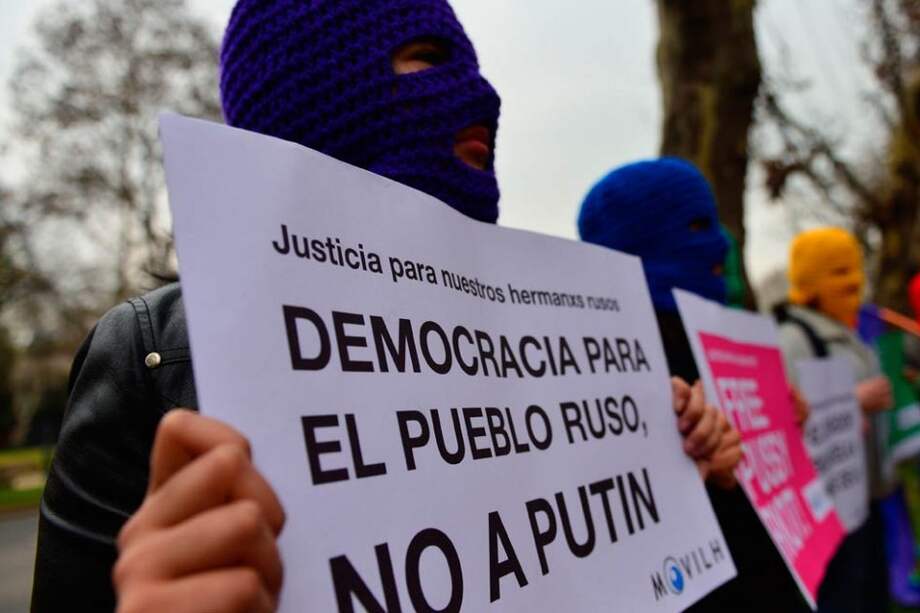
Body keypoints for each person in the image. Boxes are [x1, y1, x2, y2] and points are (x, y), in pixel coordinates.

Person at [31, 2, 727, 611]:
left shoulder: (550, 323)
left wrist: (673, 467)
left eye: (476, 66)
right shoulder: (151, 352)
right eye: (428, 58)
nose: (482, 95)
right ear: (317, 89)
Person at [578, 157, 808, 612]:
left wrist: (780, 423)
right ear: (642, 238)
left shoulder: (730, 342)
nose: (719, 242)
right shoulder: (611, 366)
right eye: (698, 224)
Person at [776, 226, 893, 613]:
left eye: (854, 269)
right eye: (839, 272)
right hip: (830, 515)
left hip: (867, 499)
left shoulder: (848, 331)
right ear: (811, 279)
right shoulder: (793, 338)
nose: (854, 281)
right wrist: (851, 403)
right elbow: (786, 418)